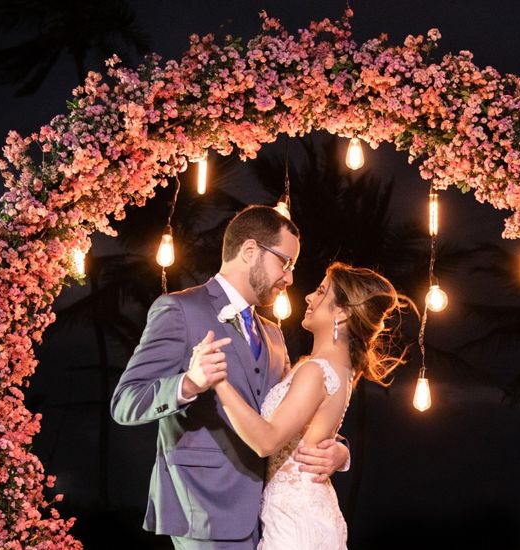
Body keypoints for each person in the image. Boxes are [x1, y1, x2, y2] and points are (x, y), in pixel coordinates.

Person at [110, 205, 349, 549]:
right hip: (203, 507)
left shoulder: (274, 334)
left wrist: (340, 452)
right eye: (286, 263)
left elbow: (294, 414)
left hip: (270, 515)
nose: (290, 278)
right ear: (250, 251)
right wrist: (187, 384)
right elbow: (125, 403)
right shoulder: (179, 309)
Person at [210, 262, 409, 550]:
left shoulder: (316, 371)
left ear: (342, 312)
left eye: (320, 291)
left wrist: (218, 383)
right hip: (299, 515)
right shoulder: (337, 369)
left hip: (296, 524)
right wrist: (340, 452)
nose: (308, 297)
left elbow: (267, 441)